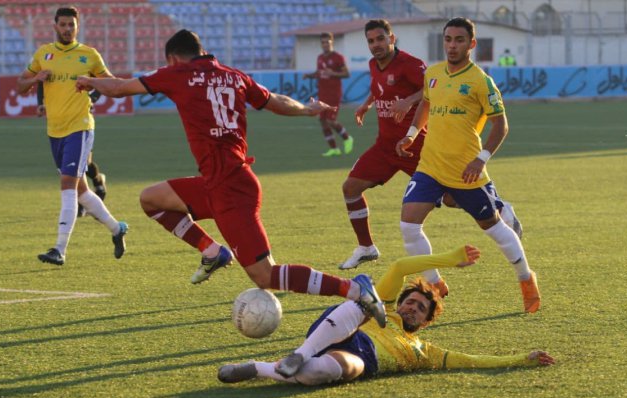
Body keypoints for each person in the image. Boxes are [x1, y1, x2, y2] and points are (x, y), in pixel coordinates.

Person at [74, 29, 386, 324]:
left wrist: (88, 80)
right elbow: (274, 101)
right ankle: (212, 251)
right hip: (219, 182)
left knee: (265, 275)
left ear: (172, 58)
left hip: (231, 190)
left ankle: (354, 289)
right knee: (151, 199)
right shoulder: (234, 76)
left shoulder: (176, 74)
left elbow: (116, 88)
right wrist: (306, 109)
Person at [340, 19, 522, 284]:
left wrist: (407, 103)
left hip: (417, 147)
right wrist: (367, 105)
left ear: (392, 38)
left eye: (381, 39)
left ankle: (497, 206)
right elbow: (378, 88)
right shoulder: (372, 64)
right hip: (386, 146)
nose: (376, 45)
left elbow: (427, 91)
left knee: (450, 198)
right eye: (371, 41)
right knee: (350, 187)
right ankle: (366, 247)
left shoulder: (412, 65)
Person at [218, 245, 555, 386]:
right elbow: (399, 267)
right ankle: (299, 355)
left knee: (336, 370)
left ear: (424, 323)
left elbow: (472, 360)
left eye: (419, 308)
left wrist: (522, 358)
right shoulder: (387, 312)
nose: (410, 307)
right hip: (340, 325)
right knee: (366, 301)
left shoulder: (425, 352)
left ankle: (260, 369)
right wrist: (451, 259)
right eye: (409, 301)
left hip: (354, 356)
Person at [395, 17, 540, 313]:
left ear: (471, 44)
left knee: (493, 228)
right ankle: (435, 284)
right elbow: (426, 103)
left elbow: (501, 125)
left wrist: (480, 159)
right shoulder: (433, 74)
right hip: (430, 166)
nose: (452, 45)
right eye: (448, 39)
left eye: (459, 40)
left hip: (466, 170)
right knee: (409, 225)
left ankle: (526, 279)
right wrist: (411, 135)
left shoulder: (480, 81)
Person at [16, 6, 127, 266]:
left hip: (80, 126)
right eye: (63, 24)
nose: (67, 29)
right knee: (81, 191)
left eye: (71, 25)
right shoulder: (43, 54)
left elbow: (111, 84)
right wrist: (37, 79)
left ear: (77, 27)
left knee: (67, 185)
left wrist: (93, 88)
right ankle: (117, 228)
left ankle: (59, 249)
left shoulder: (88, 55)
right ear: (55, 26)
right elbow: (21, 85)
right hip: (55, 130)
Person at [37, 83, 108, 217]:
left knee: (83, 164)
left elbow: (102, 80)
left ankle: (96, 185)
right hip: (60, 123)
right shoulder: (51, 63)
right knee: (71, 165)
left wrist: (93, 98)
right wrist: (41, 102)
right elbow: (42, 82)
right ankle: (83, 201)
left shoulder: (84, 62)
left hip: (81, 120)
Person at [302, 32, 353, 157]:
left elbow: (347, 74)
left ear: (332, 42)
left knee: (330, 120)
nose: (325, 44)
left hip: (334, 93)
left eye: (327, 42)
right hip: (322, 93)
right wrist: (309, 75)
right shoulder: (320, 58)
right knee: (322, 120)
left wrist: (333, 73)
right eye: (323, 42)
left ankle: (347, 138)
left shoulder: (338, 57)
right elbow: (319, 72)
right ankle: (334, 149)